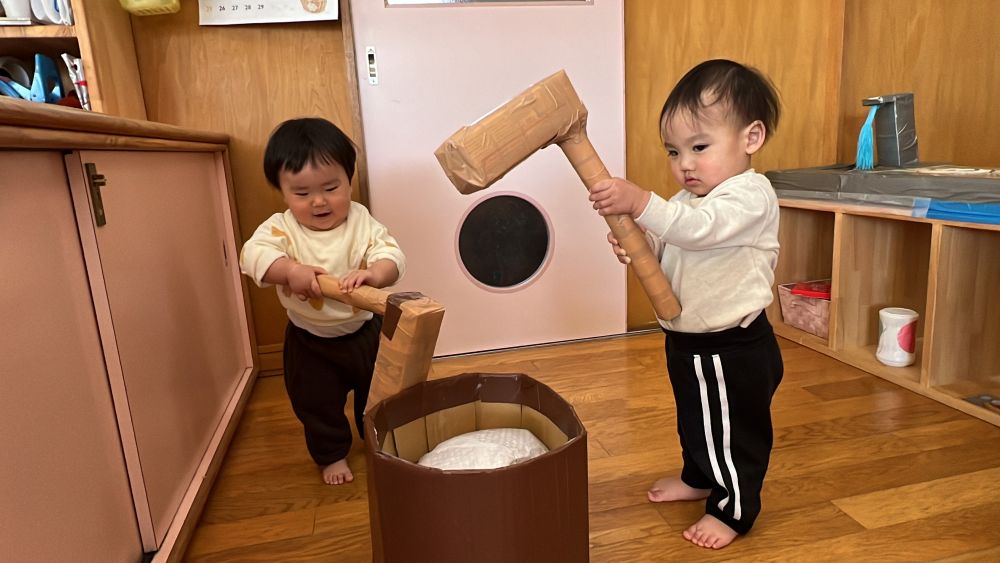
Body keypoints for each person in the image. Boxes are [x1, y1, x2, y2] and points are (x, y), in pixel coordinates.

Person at [589, 59, 784, 549]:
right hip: (689, 339)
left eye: (699, 147)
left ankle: (734, 509)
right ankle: (699, 476)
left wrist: (641, 203)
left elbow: (698, 232)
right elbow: (679, 247)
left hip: (733, 346)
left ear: (751, 138)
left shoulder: (749, 195)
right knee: (696, 418)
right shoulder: (689, 200)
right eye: (674, 151)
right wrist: (642, 248)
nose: (685, 164)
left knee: (733, 432)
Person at [240, 117, 405, 485]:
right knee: (317, 404)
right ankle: (331, 455)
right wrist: (288, 271)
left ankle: (378, 441)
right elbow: (252, 256)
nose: (318, 201)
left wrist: (375, 275)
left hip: (365, 333)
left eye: (332, 187)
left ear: (349, 180)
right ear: (283, 193)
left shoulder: (361, 221)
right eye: (301, 194)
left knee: (378, 395)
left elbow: (391, 254)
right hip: (310, 341)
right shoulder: (282, 228)